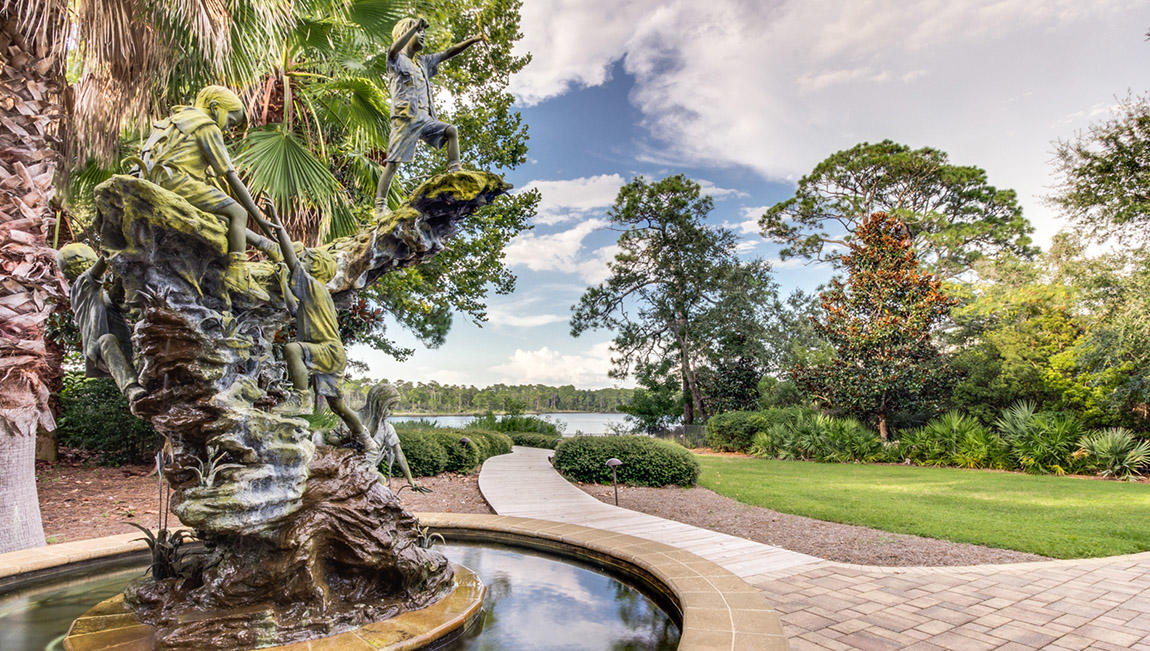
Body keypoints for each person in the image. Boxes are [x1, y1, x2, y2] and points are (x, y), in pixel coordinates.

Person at [253, 205, 378, 461]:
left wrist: (278, 225)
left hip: (328, 349)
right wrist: (280, 281)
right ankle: (366, 439)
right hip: (333, 353)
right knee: (338, 404)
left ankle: (301, 399)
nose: (301, 261)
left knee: (292, 349)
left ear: (314, 270)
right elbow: (293, 307)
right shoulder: (315, 295)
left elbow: (288, 256)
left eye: (306, 260)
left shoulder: (313, 285)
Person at [136, 85, 273, 301]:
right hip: (177, 182)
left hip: (153, 181)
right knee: (237, 214)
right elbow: (230, 175)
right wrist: (259, 217)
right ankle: (238, 274)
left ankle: (267, 246)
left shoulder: (171, 121)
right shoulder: (206, 126)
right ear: (215, 107)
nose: (228, 129)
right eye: (229, 121)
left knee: (218, 219)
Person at [374, 17, 484, 218]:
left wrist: (474, 39)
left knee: (451, 130)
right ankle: (380, 206)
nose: (422, 37)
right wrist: (414, 25)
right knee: (393, 162)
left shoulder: (423, 62)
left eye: (423, 33)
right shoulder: (395, 58)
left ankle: (455, 170)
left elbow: (449, 52)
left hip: (424, 118)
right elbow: (393, 49)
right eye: (419, 33)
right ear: (405, 35)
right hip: (405, 118)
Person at [56, 243, 145, 402]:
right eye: (77, 263)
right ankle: (131, 388)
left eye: (85, 262)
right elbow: (95, 272)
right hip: (99, 349)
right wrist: (114, 246)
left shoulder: (101, 296)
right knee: (107, 339)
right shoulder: (80, 289)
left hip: (127, 347)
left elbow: (119, 305)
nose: (83, 266)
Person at [357, 382, 426, 492]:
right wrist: (346, 439)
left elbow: (399, 453)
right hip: (348, 466)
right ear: (379, 403)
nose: (392, 413)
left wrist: (410, 480)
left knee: (380, 480)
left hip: (369, 470)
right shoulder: (355, 418)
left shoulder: (386, 428)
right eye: (390, 408)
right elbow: (333, 439)